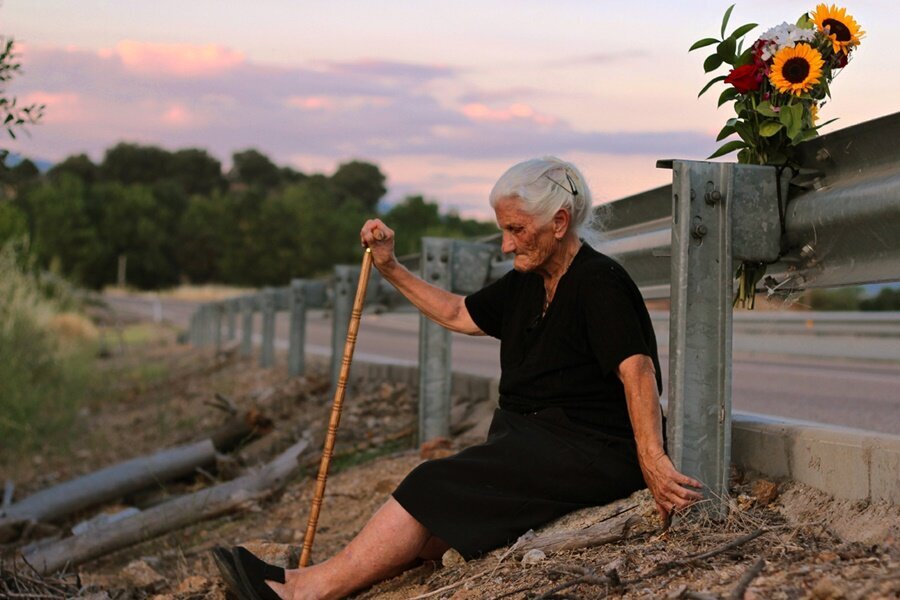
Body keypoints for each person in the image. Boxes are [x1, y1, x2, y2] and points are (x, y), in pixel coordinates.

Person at [215, 156, 703, 600]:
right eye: (503, 230)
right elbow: (457, 313)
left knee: (432, 481)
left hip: (587, 449)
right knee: (435, 528)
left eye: (516, 229)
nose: (508, 244)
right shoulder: (526, 281)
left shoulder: (600, 281)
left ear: (559, 223)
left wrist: (652, 460)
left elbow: (636, 371)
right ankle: (302, 579)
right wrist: (391, 267)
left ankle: (304, 594)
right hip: (533, 443)